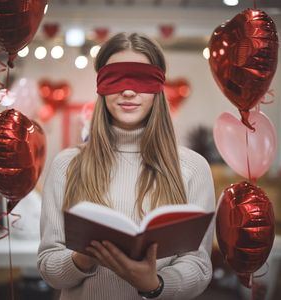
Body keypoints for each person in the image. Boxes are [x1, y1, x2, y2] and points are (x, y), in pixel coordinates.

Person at [37, 32, 215, 300]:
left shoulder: (192, 168)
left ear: (158, 87)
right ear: (101, 86)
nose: (129, 90)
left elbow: (199, 266)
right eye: (116, 78)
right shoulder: (67, 165)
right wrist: (81, 258)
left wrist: (154, 284)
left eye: (141, 79)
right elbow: (49, 265)